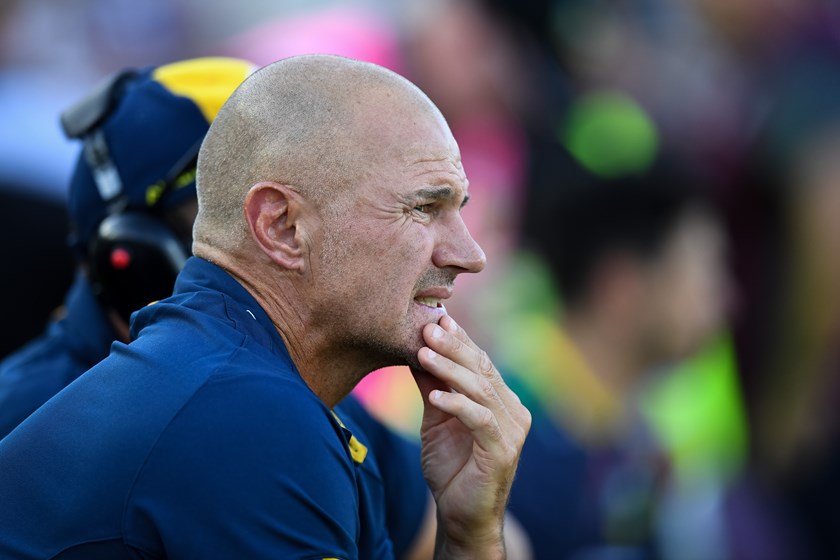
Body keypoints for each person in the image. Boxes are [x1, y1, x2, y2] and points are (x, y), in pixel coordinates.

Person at [0, 54, 530, 559]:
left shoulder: (294, 389)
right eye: (422, 208)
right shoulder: (246, 410)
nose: (471, 257)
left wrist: (470, 531)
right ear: (281, 227)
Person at [506, 157, 731, 559]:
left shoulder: (635, 440)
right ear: (621, 288)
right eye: (706, 271)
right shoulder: (503, 425)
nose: (729, 301)